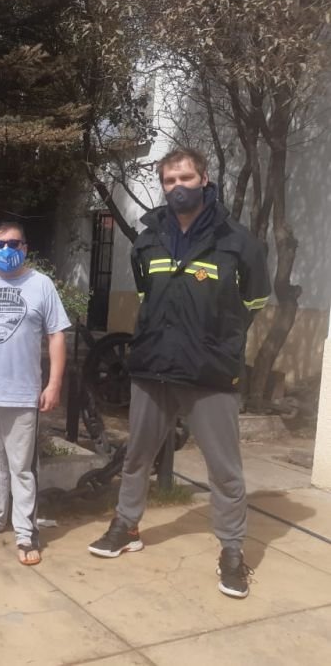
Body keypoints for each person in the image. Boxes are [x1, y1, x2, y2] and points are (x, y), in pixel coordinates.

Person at [87, 148, 271, 599]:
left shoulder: (239, 242)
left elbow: (255, 302)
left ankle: (231, 551)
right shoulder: (149, 238)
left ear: (204, 179)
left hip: (208, 373)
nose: (178, 187)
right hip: (152, 367)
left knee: (224, 471)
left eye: (186, 177)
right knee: (136, 457)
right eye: (169, 180)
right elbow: (149, 291)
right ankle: (127, 527)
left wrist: (219, 342)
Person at [0, 222, 71, 566]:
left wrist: (54, 383)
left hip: (21, 395)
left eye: (14, 243)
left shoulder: (41, 285)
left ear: (25, 247)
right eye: (0, 244)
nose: (7, 249)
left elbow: (57, 336)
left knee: (22, 468)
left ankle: (25, 531)